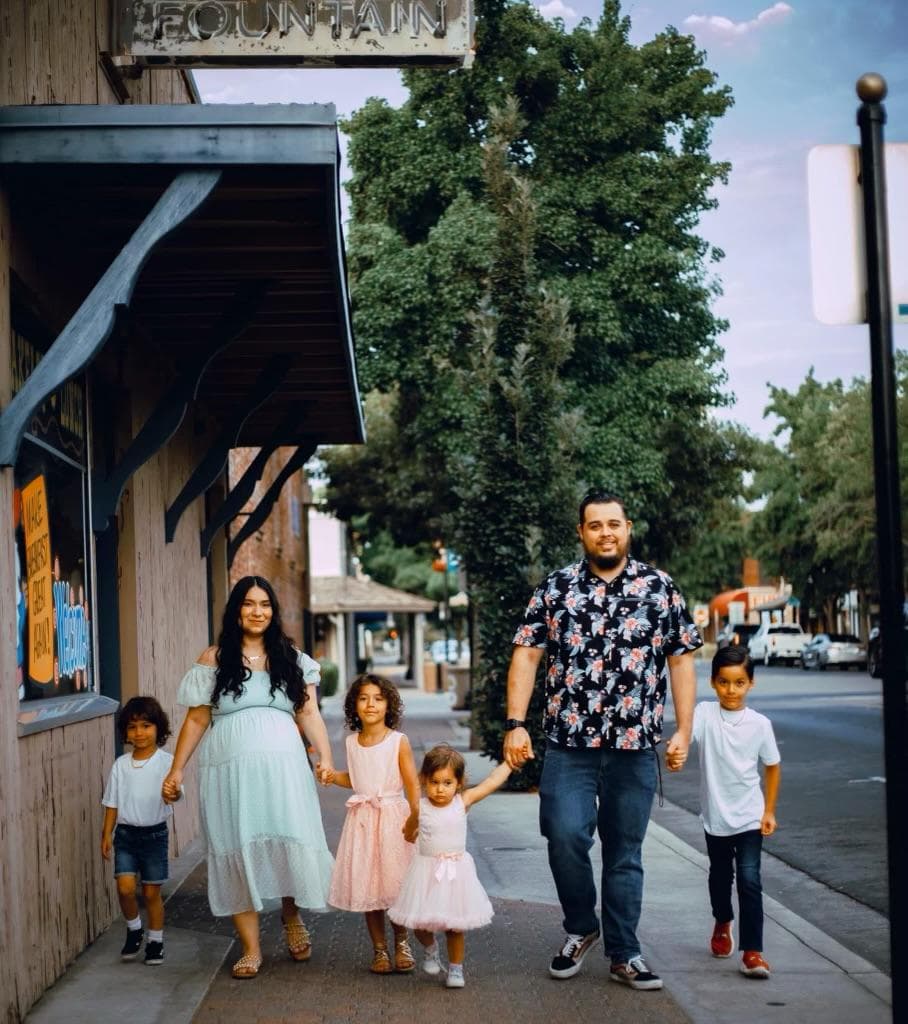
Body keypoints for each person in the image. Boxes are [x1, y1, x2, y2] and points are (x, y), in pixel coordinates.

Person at [503, 490, 701, 990]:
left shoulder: (660, 588)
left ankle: (625, 952)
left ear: (628, 528)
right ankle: (581, 926)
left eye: (614, 524)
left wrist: (684, 728)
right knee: (563, 833)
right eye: (596, 525)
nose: (606, 532)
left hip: (634, 746)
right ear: (582, 532)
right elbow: (527, 653)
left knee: (624, 852)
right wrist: (515, 723)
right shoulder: (558, 588)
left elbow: (681, 658)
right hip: (569, 744)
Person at [161, 576, 335, 980]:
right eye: (249, 604)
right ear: (236, 610)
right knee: (235, 845)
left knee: (286, 837)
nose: (258, 612)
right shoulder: (214, 659)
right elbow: (198, 717)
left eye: (265, 604)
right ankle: (251, 948)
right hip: (228, 772)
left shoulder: (291, 658)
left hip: (285, 771)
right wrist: (176, 767)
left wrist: (324, 756)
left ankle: (292, 917)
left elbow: (307, 713)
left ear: (273, 612)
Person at [389, 744, 512, 989]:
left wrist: (508, 764)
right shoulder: (420, 807)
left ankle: (456, 969)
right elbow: (408, 831)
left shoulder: (462, 802)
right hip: (426, 873)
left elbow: (490, 783)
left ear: (459, 783)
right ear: (424, 780)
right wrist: (412, 834)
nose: (440, 789)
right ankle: (431, 949)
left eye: (447, 783)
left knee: (454, 926)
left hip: (456, 874)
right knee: (419, 924)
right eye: (434, 782)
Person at [691, 645, 781, 979]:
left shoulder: (759, 724)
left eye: (739, 683)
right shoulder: (704, 714)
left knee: (748, 879)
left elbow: (772, 766)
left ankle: (752, 952)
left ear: (751, 684)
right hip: (715, 817)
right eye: (725, 683)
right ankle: (722, 920)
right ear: (713, 683)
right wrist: (676, 749)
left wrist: (769, 810)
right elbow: (687, 736)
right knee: (719, 877)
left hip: (749, 818)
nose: (731, 690)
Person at [323, 673, 420, 974]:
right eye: (363, 698)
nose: (371, 705)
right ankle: (379, 950)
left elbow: (412, 784)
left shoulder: (397, 742)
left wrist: (416, 819)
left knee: (395, 886)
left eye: (378, 699)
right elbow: (356, 779)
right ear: (354, 705)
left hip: (393, 820)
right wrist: (330, 776)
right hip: (363, 822)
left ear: (389, 705)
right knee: (369, 889)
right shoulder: (352, 743)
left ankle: (402, 942)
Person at [101, 696, 182, 966]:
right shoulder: (121, 765)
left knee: (150, 894)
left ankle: (155, 941)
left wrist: (172, 793)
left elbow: (176, 792)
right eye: (133, 727)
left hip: (155, 836)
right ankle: (135, 929)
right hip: (125, 836)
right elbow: (112, 802)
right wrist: (106, 834)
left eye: (146, 726)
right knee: (125, 889)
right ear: (125, 731)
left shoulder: (166, 762)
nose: (140, 733)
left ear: (158, 728)